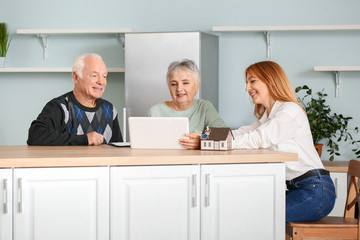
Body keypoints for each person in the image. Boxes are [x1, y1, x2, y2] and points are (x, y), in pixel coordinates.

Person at [231, 61, 335, 222]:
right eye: (246, 83)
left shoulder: (289, 111)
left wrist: (214, 143)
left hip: (314, 192)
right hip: (296, 189)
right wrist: (207, 138)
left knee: (256, 218)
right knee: (246, 209)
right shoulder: (269, 116)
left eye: (252, 81)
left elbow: (256, 138)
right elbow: (243, 132)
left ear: (270, 80)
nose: (247, 88)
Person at [27, 53, 123, 146]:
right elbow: (35, 136)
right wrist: (85, 139)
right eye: (94, 75)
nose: (101, 82)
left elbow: (118, 150)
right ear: (76, 77)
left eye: (104, 76)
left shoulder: (110, 109)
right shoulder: (60, 107)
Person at [147, 59, 226, 149]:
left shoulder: (204, 107)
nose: (179, 89)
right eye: (173, 84)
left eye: (185, 83)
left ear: (197, 86)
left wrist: (202, 140)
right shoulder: (155, 111)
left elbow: (223, 134)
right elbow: (144, 141)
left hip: (195, 162)